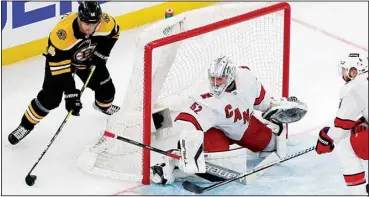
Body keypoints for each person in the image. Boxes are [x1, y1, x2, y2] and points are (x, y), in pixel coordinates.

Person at [149, 55, 308, 184]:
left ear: (231, 76)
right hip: (216, 130)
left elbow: (262, 101)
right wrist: (186, 146)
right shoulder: (205, 96)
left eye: (221, 79)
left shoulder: (246, 77)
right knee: (216, 167)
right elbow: (187, 120)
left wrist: (275, 107)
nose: (216, 83)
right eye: (213, 79)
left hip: (241, 126)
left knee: (271, 145)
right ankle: (169, 165)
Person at [8, 1, 121, 145]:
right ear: (79, 17)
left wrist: (102, 54)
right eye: (86, 23)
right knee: (50, 99)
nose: (90, 28)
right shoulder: (61, 34)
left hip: (86, 59)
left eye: (94, 24)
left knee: (107, 89)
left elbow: (114, 34)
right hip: (60, 63)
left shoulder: (106, 22)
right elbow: (61, 70)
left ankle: (103, 107)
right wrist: (70, 93)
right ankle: (25, 125)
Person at [315, 53, 368, 195]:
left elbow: (340, 130)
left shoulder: (355, 87)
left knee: (344, 144)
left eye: (345, 70)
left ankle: (359, 193)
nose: (342, 74)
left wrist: (325, 140)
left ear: (354, 71)